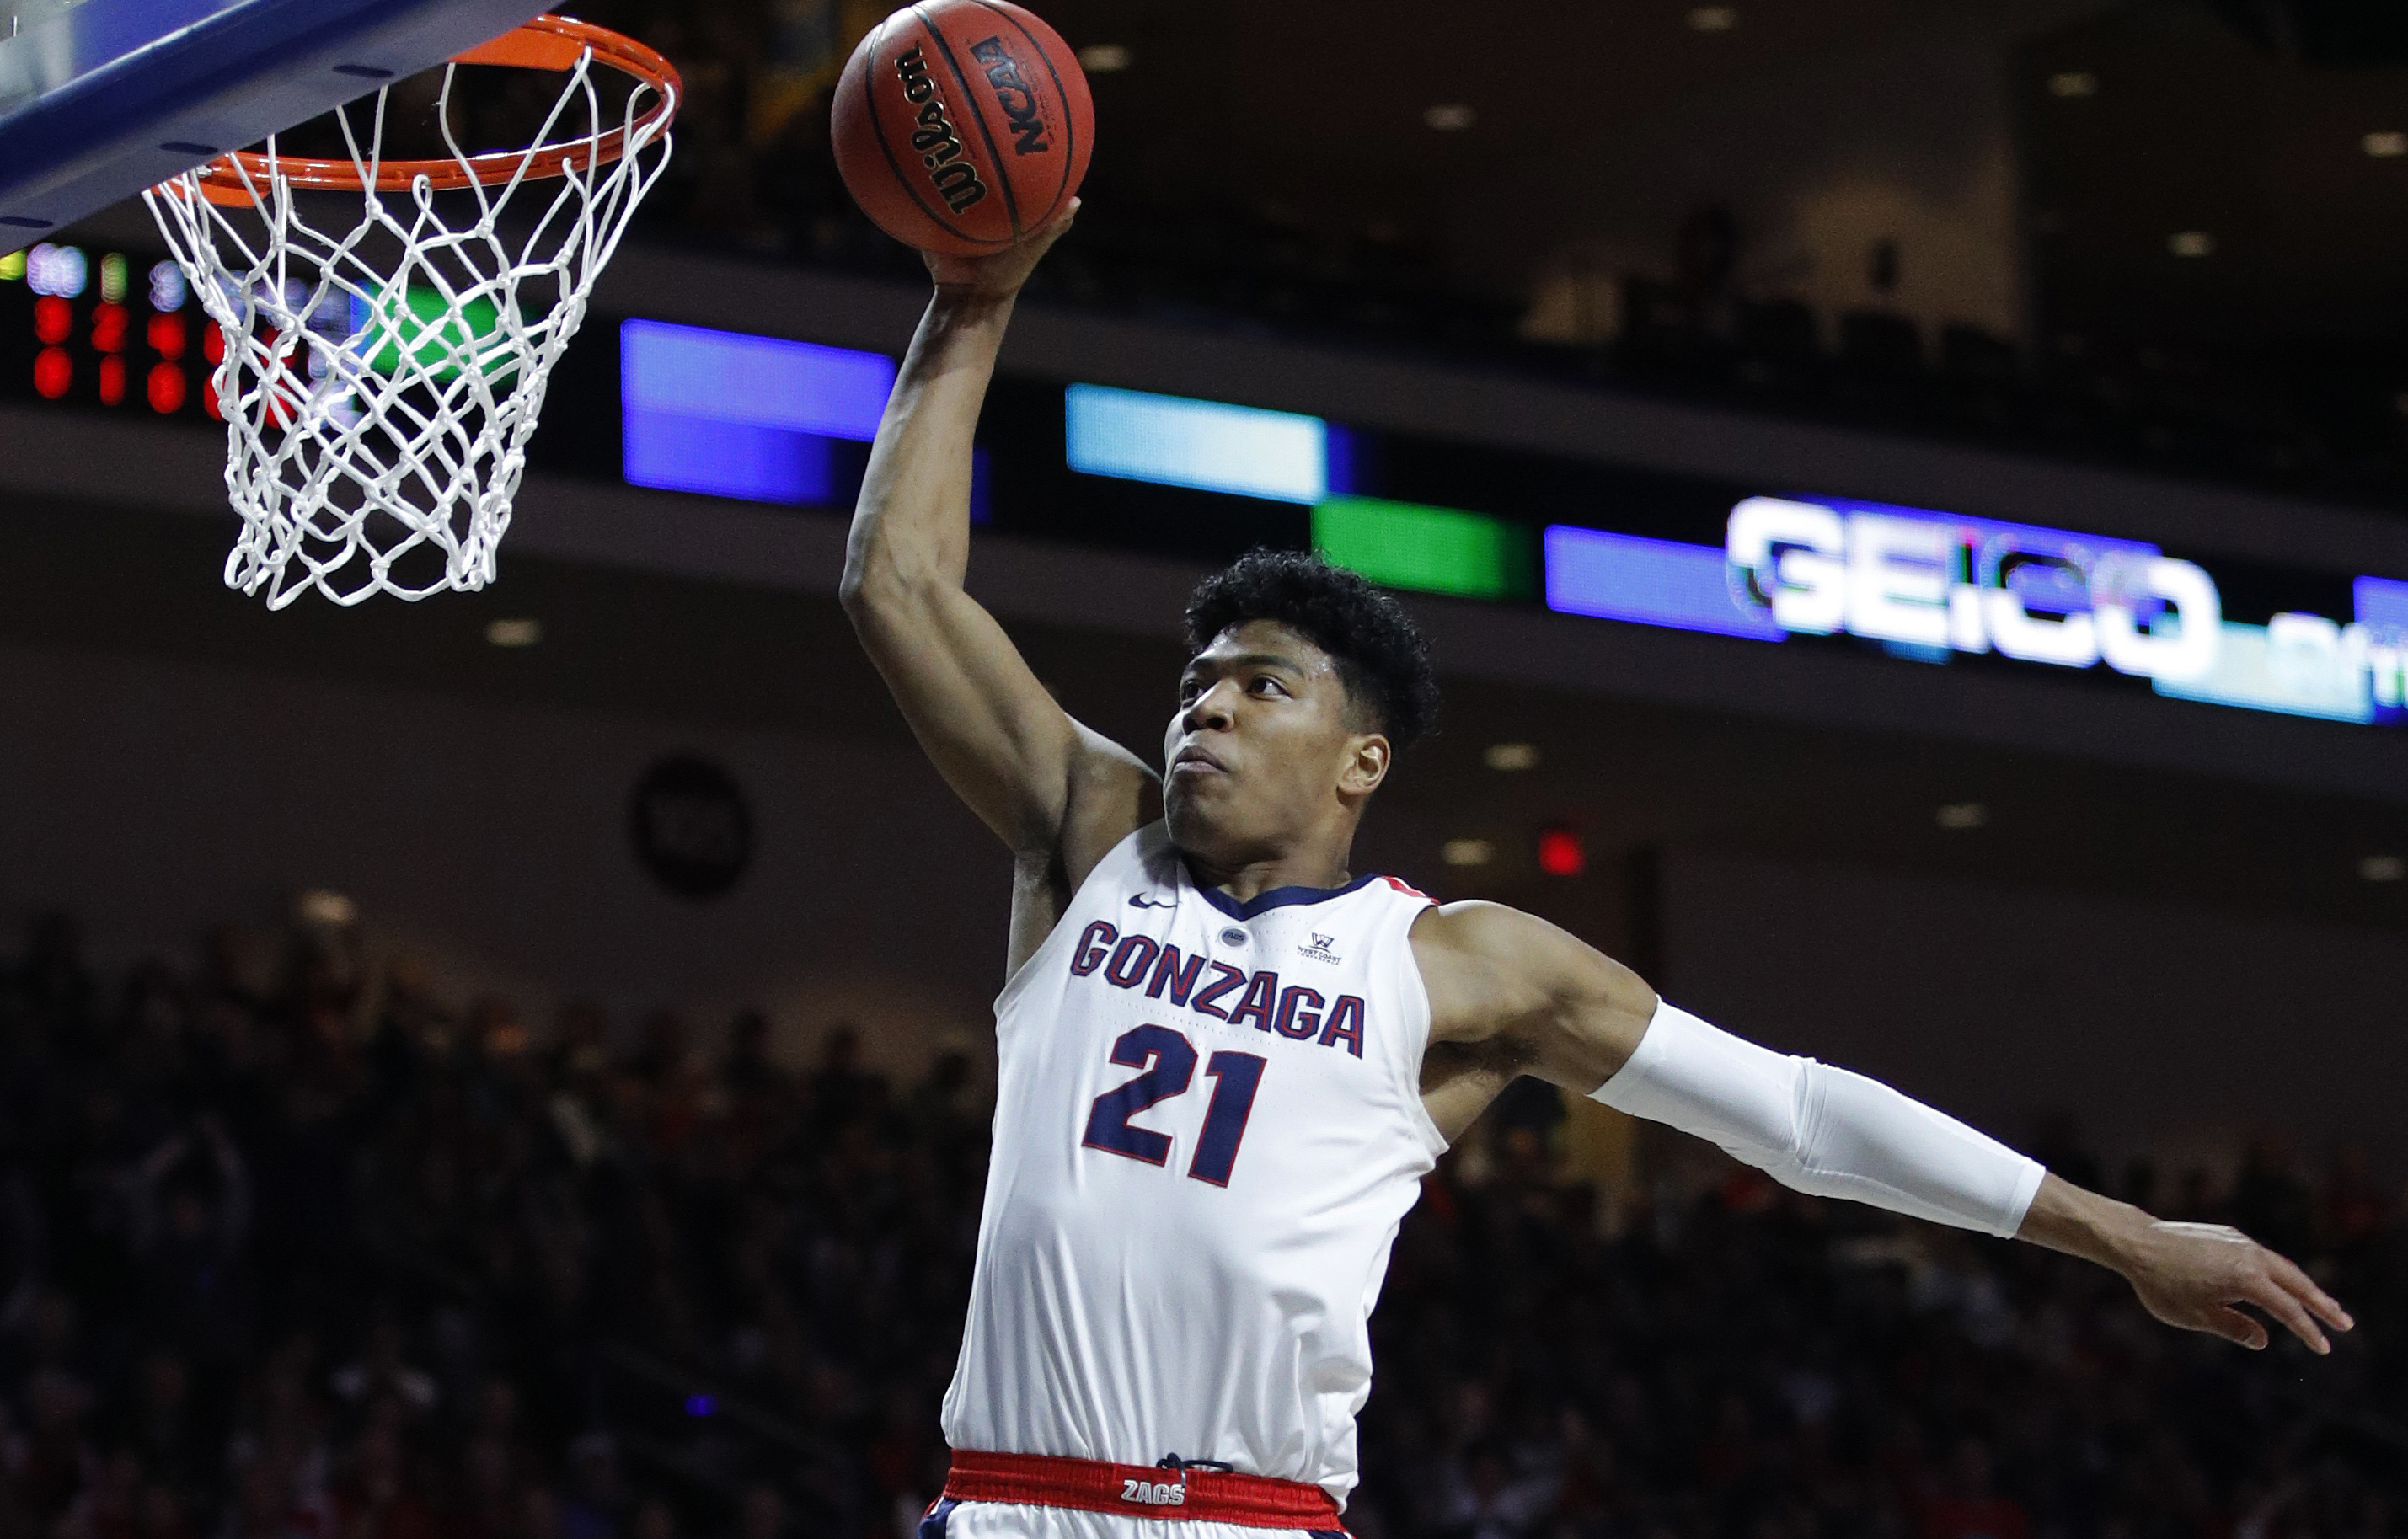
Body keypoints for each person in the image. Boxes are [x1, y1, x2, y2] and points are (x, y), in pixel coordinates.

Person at [838, 202, 2354, 1539]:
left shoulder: (1460, 967)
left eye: (1259, 687)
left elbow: (1800, 1117)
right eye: (1195, 686)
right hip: (1007, 1505)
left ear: (1362, 762)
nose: (1205, 707)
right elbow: (895, 582)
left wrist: (2126, 1236)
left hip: (1254, 1513)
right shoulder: (1091, 834)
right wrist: (973, 297)